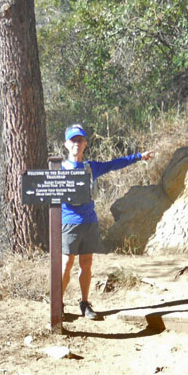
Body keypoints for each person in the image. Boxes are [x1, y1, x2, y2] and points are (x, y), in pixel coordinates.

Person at [60, 123, 154, 319]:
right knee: (67, 263)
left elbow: (115, 163)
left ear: (85, 143)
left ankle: (84, 304)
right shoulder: (59, 169)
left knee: (86, 263)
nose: (77, 143)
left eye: (80, 140)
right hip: (69, 222)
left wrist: (138, 156)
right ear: (66, 144)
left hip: (89, 221)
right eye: (73, 140)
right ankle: (57, 304)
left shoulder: (90, 167)